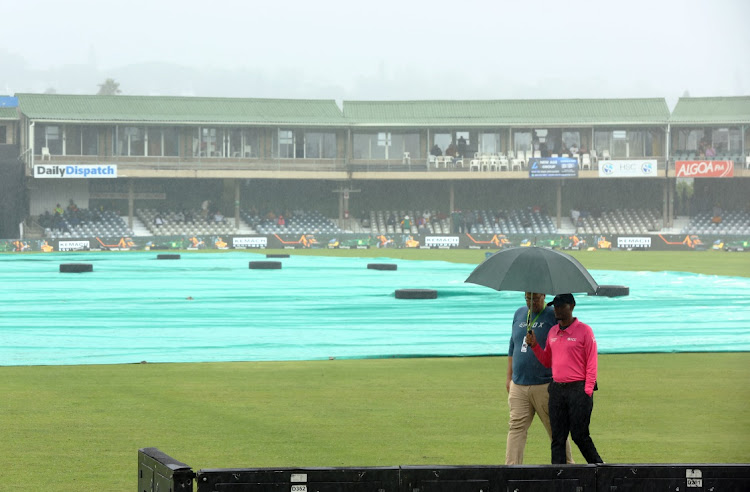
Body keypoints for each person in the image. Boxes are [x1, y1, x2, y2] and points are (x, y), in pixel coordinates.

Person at [526, 294, 604, 464]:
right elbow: (547, 360)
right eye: (555, 306)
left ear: (572, 306)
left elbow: (592, 362)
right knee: (557, 438)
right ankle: (559, 478)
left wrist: (587, 391)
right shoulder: (553, 332)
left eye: (561, 306)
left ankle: (600, 469)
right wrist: (535, 346)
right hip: (557, 390)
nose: (557, 309)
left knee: (579, 435)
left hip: (578, 389)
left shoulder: (584, 331)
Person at [506, 292, 573, 465]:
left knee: (556, 430)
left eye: (535, 298)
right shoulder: (519, 313)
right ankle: (510, 471)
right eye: (527, 298)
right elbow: (512, 346)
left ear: (543, 295)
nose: (531, 302)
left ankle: (568, 469)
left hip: (545, 384)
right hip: (519, 384)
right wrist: (509, 377)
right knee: (516, 428)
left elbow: (564, 344)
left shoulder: (553, 315)